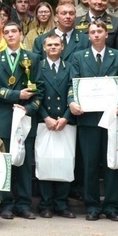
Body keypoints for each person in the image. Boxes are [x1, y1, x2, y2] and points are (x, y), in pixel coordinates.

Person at [67, 21, 118, 221]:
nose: (96, 34)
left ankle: (112, 207)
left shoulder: (117, 55)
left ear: (106, 34)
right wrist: (72, 101)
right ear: (88, 35)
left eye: (99, 31)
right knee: (90, 165)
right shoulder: (79, 57)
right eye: (92, 32)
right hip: (88, 118)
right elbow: (73, 84)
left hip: (111, 116)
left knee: (111, 164)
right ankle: (92, 206)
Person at [0, 21, 41, 219]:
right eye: (6, 32)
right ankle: (6, 203)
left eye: (13, 31)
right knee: (5, 161)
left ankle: (24, 204)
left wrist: (28, 108)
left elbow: (39, 88)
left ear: (21, 33)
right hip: (3, 116)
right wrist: (16, 94)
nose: (10, 35)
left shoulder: (34, 58)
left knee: (25, 163)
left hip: (25, 117)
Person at [31, 33, 76, 219]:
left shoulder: (70, 67)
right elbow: (34, 94)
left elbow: (74, 91)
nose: (53, 48)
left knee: (65, 162)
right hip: (45, 121)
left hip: (65, 121)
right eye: (49, 45)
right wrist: (46, 117)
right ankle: (46, 204)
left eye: (56, 44)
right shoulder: (37, 67)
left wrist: (65, 117)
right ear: (43, 47)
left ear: (62, 47)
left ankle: (62, 204)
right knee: (46, 162)